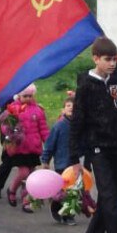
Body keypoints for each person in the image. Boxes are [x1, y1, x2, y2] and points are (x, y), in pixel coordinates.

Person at [70, 37, 117, 233]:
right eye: (107, 60)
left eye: (114, 59)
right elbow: (77, 122)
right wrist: (75, 157)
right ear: (95, 58)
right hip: (98, 149)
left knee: (111, 198)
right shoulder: (86, 85)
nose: (112, 64)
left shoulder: (116, 82)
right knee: (108, 200)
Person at [3, 84, 49, 211]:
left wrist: (49, 143)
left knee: (31, 175)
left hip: (33, 147)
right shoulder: (13, 109)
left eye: (30, 96)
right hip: (19, 147)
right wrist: (11, 132)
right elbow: (5, 127)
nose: (28, 98)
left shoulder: (38, 110)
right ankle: (12, 189)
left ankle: (26, 200)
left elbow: (43, 129)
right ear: (19, 96)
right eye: (25, 96)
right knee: (23, 172)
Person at [41, 96, 77, 225]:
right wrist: (45, 160)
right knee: (62, 190)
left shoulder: (80, 125)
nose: (71, 108)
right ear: (63, 109)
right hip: (62, 163)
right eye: (68, 106)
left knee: (73, 190)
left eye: (74, 106)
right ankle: (56, 207)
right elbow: (49, 145)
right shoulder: (59, 126)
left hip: (76, 164)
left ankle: (69, 214)